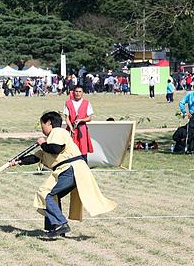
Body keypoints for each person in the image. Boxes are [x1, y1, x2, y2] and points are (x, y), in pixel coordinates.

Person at [11, 111, 116, 239]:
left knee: (46, 193)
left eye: (42, 125)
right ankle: (54, 228)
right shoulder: (50, 141)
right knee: (53, 196)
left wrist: (42, 143)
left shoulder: (58, 132)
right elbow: (35, 157)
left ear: (49, 123)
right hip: (68, 170)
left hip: (71, 168)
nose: (41, 128)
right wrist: (18, 161)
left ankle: (61, 224)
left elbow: (56, 149)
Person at [64, 85, 94, 161]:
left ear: (82, 93)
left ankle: (84, 166)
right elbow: (67, 118)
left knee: (83, 149)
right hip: (72, 129)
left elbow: (89, 118)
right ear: (73, 92)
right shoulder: (68, 103)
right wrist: (71, 127)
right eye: (76, 91)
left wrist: (81, 120)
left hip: (82, 129)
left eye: (80, 92)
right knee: (71, 148)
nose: (78, 93)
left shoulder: (86, 103)